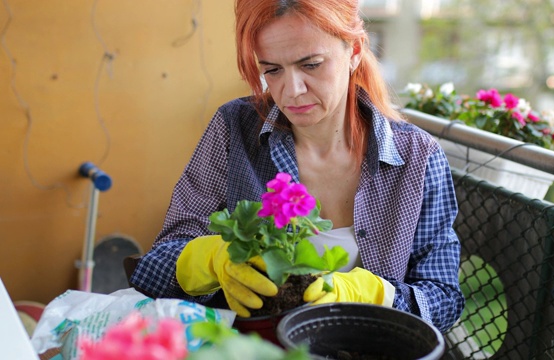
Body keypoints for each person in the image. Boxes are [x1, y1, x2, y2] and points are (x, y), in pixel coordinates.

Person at [130, 0, 464, 332]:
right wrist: (207, 261)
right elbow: (154, 268)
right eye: (272, 70)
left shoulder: (418, 157)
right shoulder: (234, 129)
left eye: (311, 65)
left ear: (355, 51)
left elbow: (445, 300)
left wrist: (378, 295)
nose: (292, 91)